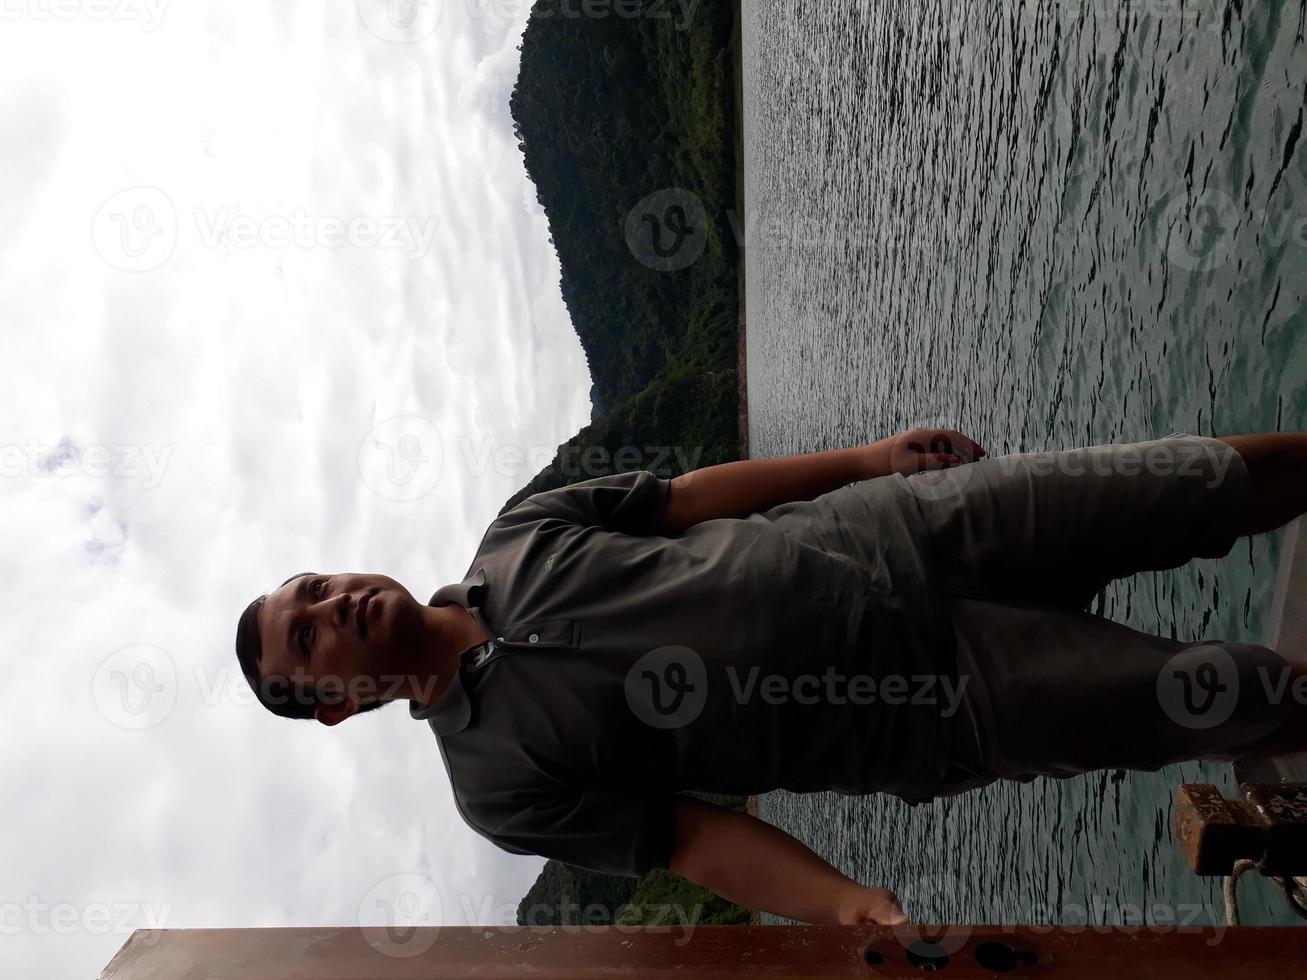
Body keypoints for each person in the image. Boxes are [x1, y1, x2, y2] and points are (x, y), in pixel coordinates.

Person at [233, 427, 1307, 927]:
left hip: (905, 530)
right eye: (310, 637)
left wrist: (862, 461)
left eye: (315, 586)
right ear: (333, 703)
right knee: (1225, 696)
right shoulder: (495, 784)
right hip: (927, 705)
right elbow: (692, 839)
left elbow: (690, 499)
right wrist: (838, 899)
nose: (333, 604)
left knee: (1190, 479)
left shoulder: (517, 531)